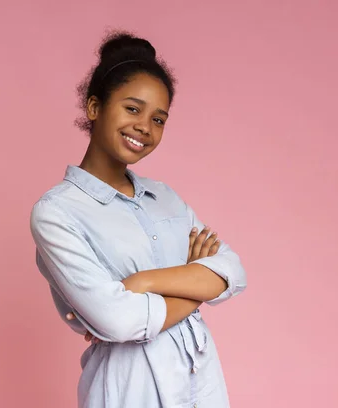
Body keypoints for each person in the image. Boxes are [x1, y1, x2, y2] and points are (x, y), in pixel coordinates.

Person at [30, 31, 247, 408]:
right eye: (132, 109)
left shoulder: (165, 197)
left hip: (202, 382)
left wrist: (144, 281)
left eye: (159, 119)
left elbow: (233, 271)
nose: (145, 127)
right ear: (95, 107)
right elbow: (118, 320)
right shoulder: (57, 213)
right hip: (130, 389)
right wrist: (196, 285)